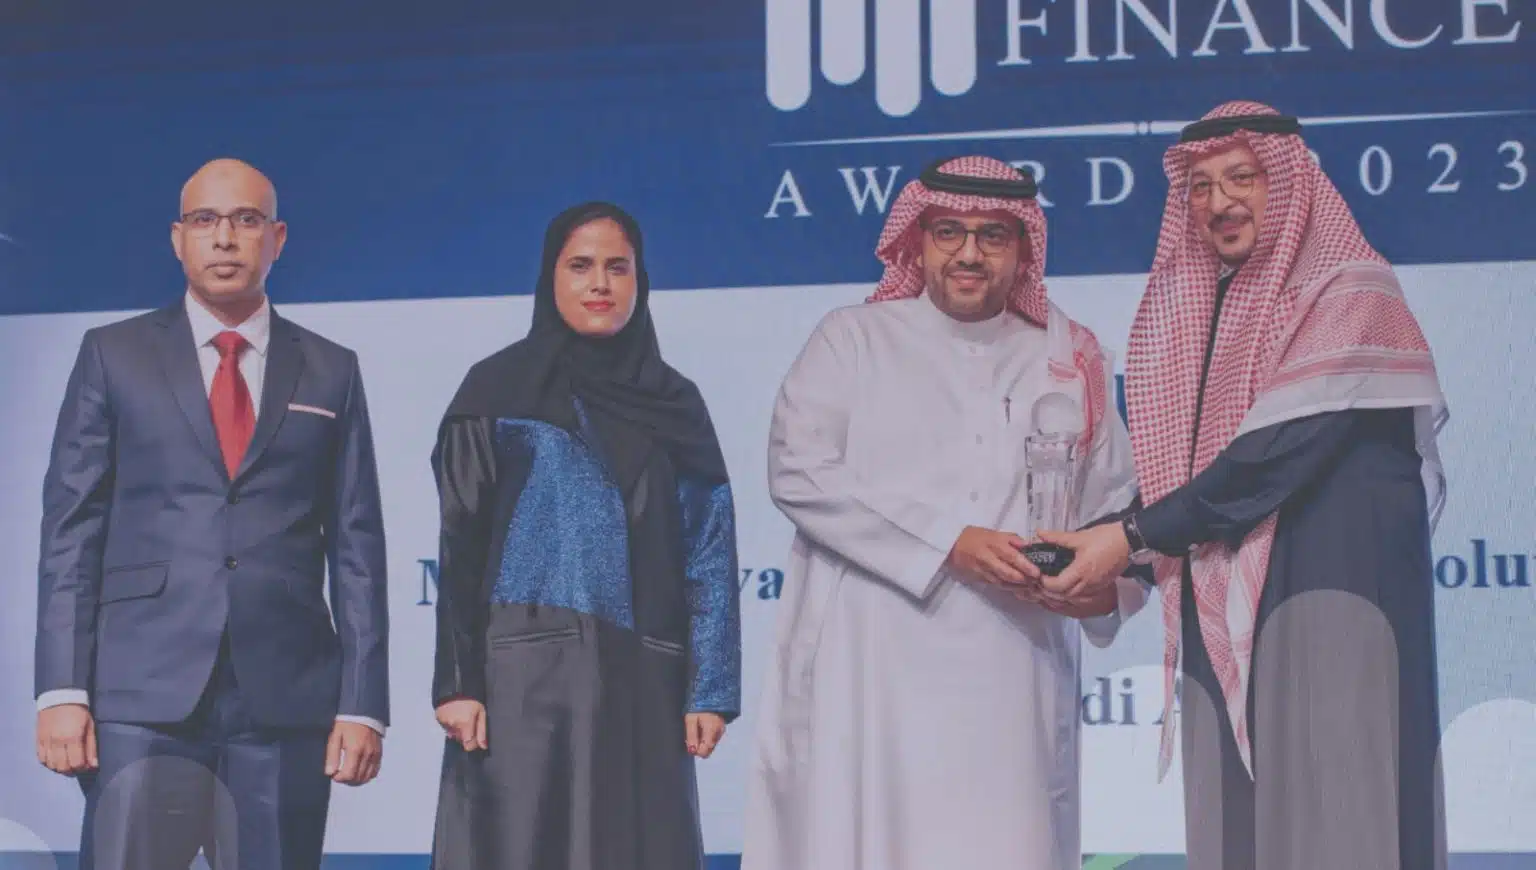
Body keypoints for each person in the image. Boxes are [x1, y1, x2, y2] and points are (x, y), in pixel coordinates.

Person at [1037, 101, 1451, 869]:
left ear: (1289, 184)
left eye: (1242, 178)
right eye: (1200, 187)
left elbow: (1271, 457)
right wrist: (1112, 558)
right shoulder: (1211, 314)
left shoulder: (1351, 291)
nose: (1218, 201)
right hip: (1223, 604)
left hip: (1330, 596)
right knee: (1235, 826)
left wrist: (1126, 540)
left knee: (1340, 813)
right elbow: (1196, 477)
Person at [740, 156, 1148, 870]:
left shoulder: (1067, 355)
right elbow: (797, 470)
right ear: (918, 241)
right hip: (871, 668)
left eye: (993, 235)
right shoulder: (852, 338)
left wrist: (1103, 592)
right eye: (949, 232)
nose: (968, 253)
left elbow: (1114, 512)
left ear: (1023, 248)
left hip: (1011, 672)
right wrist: (947, 543)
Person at [33, 158, 389, 870]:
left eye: (246, 220)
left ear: (277, 238)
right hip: (139, 700)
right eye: (205, 220)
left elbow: (358, 544)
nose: (224, 237)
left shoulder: (332, 368)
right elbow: (71, 530)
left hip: (284, 701)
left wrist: (362, 703)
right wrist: (61, 689)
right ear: (178, 239)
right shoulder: (112, 355)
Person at [427, 201, 742, 870]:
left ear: (639, 281)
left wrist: (710, 689)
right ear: (551, 277)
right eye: (580, 266)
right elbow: (461, 546)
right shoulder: (496, 389)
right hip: (520, 683)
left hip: (645, 681)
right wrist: (457, 683)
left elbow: (708, 547)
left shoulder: (675, 402)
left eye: (617, 268)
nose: (600, 283)